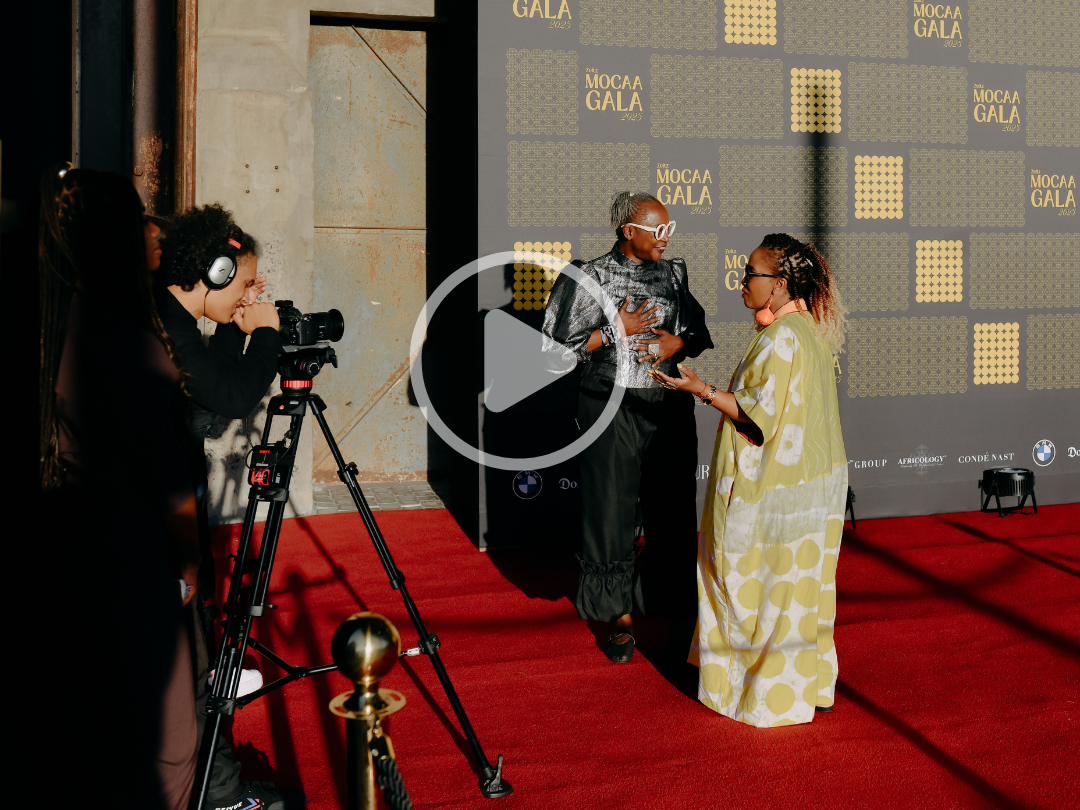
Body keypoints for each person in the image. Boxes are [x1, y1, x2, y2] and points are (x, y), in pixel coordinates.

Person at [38, 166, 199, 808]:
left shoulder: (60, 321)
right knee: (166, 745)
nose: (152, 234)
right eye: (138, 223)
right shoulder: (123, 341)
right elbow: (169, 483)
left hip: (75, 542)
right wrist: (191, 561)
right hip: (127, 555)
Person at [653, 233, 848, 726]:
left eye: (751, 274)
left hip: (774, 489)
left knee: (754, 584)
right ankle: (811, 685)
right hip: (811, 485)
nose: (741, 282)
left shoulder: (781, 337)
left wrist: (699, 388)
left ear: (778, 284)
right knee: (800, 591)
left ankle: (758, 694)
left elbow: (756, 415)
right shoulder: (807, 328)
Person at [542, 191, 713, 663]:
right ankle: (618, 615)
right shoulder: (590, 276)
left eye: (669, 229)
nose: (666, 238)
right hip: (609, 405)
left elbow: (697, 332)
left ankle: (669, 603)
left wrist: (677, 343)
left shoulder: (673, 273)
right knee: (610, 509)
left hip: (668, 404)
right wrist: (613, 328)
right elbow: (552, 352)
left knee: (672, 507)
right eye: (658, 230)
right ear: (628, 230)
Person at [155, 203, 286, 810]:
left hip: (173, 505)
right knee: (185, 657)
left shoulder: (170, 320)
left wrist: (239, 324)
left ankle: (215, 782)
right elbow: (232, 393)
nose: (250, 293)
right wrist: (267, 334)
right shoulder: (164, 327)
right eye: (244, 281)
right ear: (213, 272)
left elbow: (212, 379)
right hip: (160, 519)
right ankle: (215, 791)